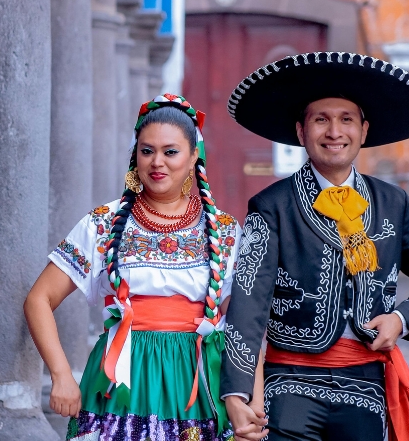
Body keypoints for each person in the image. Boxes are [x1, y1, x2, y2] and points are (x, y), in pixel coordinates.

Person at [220, 52, 409, 441]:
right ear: (301, 132)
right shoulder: (271, 206)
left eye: (346, 119)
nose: (334, 132)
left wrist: (400, 319)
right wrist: (237, 392)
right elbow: (248, 305)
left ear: (364, 131)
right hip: (290, 383)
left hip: (366, 386)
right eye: (321, 120)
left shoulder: (392, 203)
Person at [25, 94, 268, 441]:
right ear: (135, 155)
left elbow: (243, 327)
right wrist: (61, 374)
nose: (157, 162)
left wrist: (252, 398)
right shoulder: (104, 223)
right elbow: (38, 300)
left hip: (195, 383)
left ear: (193, 156)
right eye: (147, 150)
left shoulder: (225, 231)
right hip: (119, 382)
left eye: (171, 151)